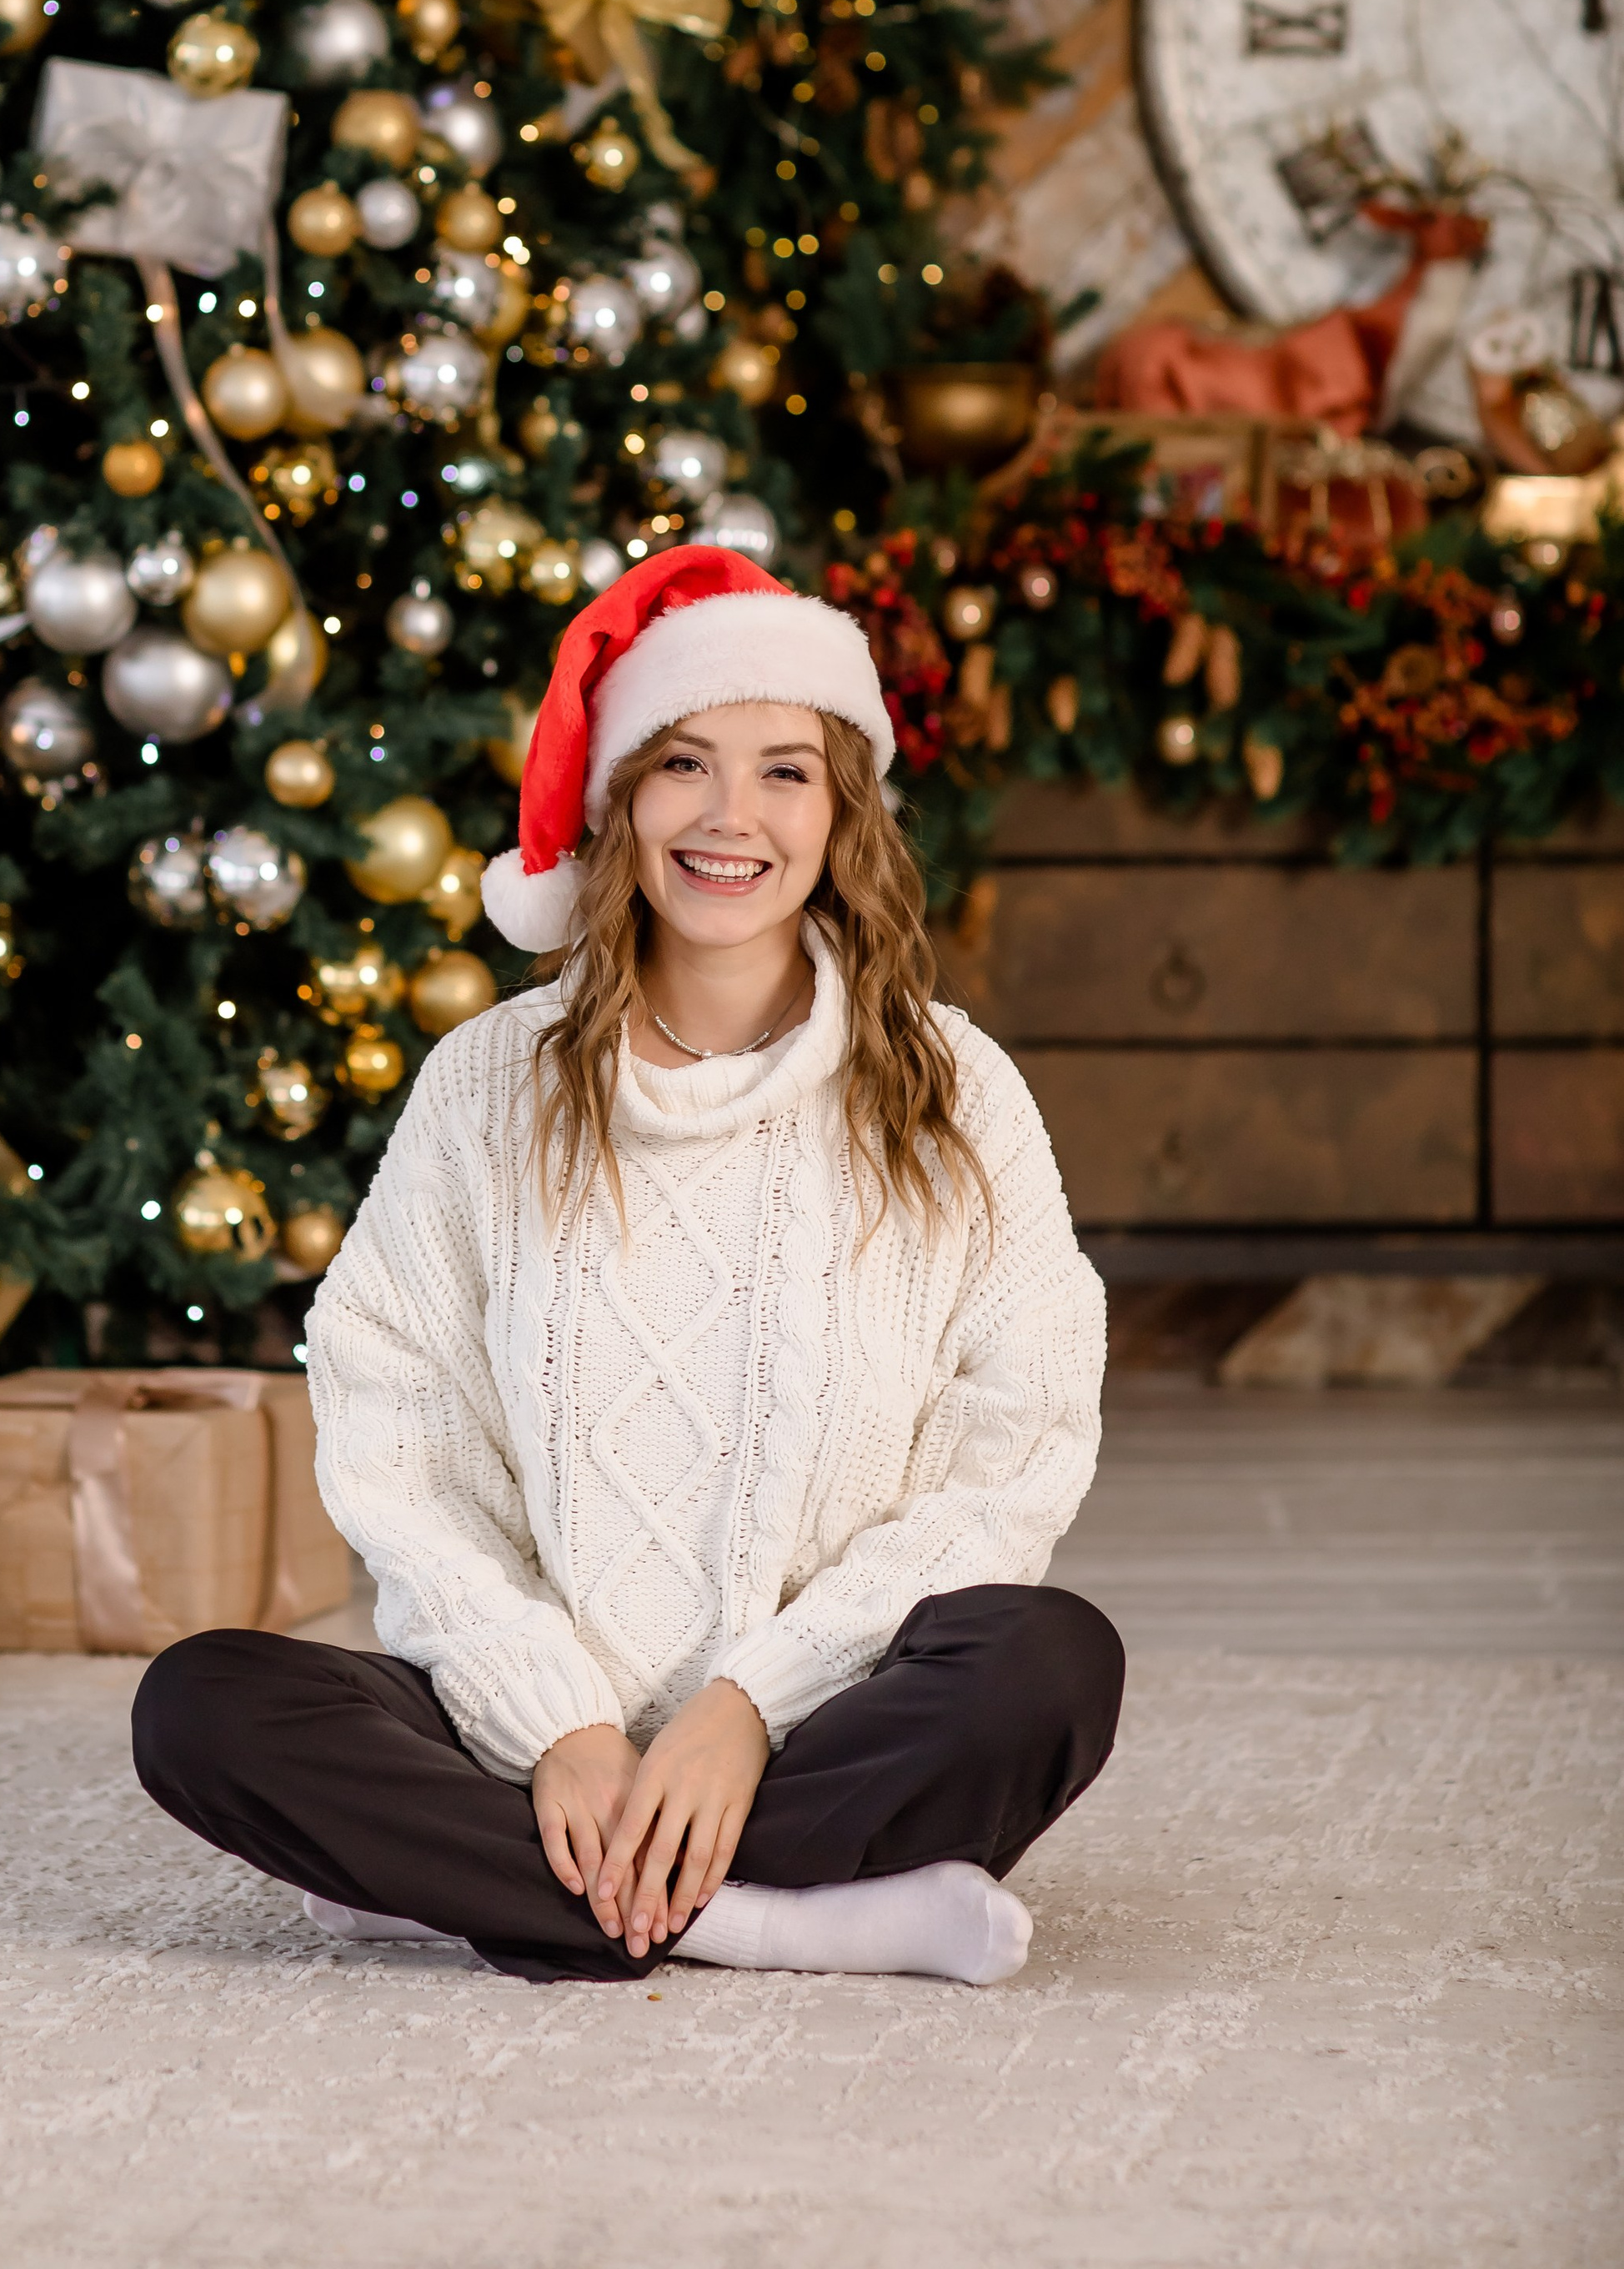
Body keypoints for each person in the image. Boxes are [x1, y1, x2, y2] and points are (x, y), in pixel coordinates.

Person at [133, 545, 1122, 1985]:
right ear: (617, 801)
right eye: (683, 766)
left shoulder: (955, 1090)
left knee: (1050, 1665)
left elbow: (1013, 1452)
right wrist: (558, 1724)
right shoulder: (488, 1085)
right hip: (525, 1731)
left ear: (843, 810)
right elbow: (393, 1428)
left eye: (786, 771)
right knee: (202, 1706)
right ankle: (781, 1920)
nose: (733, 818)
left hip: (818, 1719)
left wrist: (748, 1705)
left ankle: (465, 1883)